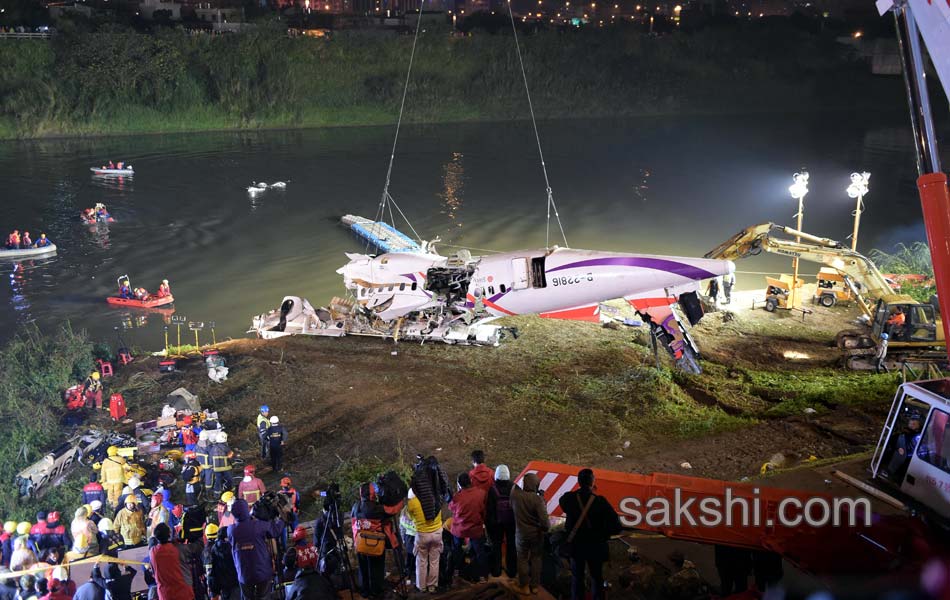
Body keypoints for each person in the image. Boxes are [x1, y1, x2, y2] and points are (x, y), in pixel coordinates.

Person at [558, 468, 622, 600]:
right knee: (597, 578)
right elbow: (616, 526)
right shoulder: (600, 502)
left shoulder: (569, 499)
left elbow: (563, 502)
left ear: (579, 482)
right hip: (595, 546)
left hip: (576, 546)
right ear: (592, 482)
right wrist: (604, 535)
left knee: (577, 577)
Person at [228, 498, 284, 600]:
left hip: (243, 574)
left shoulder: (231, 530)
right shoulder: (258, 525)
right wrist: (281, 519)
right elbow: (275, 531)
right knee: (263, 596)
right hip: (263, 571)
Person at [512, 471, 549, 595]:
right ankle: (534, 586)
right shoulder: (537, 500)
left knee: (522, 558)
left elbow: (515, 486)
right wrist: (542, 498)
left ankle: (524, 586)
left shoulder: (515, 495)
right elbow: (545, 523)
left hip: (521, 534)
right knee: (536, 559)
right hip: (536, 535)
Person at [448, 471, 489, 582]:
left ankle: (456, 570)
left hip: (459, 529)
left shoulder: (457, 496)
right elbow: (484, 511)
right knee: (480, 551)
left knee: (456, 549)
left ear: (459, 484)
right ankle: (482, 576)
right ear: (470, 481)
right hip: (475, 529)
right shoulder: (481, 493)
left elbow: (451, 508)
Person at [350, 483, 387, 599]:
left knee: (363, 568)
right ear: (370, 494)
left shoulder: (356, 506)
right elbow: (388, 514)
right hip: (375, 544)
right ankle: (377, 591)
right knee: (376, 568)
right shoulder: (375, 507)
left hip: (360, 543)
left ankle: (365, 590)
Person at [407, 485, 442, 593]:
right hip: (437, 533)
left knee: (421, 561)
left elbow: (410, 517)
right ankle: (432, 586)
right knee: (434, 561)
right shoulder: (435, 498)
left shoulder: (412, 502)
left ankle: (421, 586)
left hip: (422, 535)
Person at [486, 464, 517, 580]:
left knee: (496, 545)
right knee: (511, 545)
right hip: (511, 522)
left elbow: (489, 510)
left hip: (496, 523)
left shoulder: (492, 489)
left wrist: (489, 525)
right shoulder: (514, 488)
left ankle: (496, 570)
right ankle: (512, 570)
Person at [149, 523, 194, 600]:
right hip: (183, 593)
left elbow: (152, 542)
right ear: (169, 534)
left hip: (165, 595)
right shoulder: (177, 549)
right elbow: (198, 548)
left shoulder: (153, 552)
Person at [204, 526, 240, 600]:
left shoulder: (212, 550)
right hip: (236, 583)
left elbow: (212, 573)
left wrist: (214, 590)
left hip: (223, 587)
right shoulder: (235, 547)